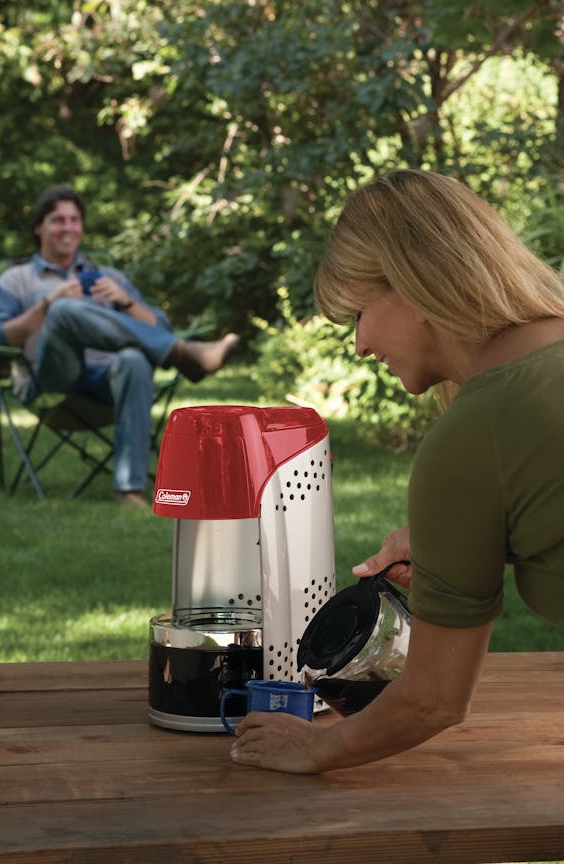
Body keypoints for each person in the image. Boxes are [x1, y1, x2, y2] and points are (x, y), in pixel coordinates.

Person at [230, 168, 564, 773]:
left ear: (412, 289)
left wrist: (314, 746)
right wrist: (472, 539)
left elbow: (434, 699)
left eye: (358, 313)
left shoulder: (476, 431)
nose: (360, 345)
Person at [0, 183, 239, 506]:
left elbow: (160, 327)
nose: (68, 227)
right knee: (63, 311)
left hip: (108, 381)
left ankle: (129, 489)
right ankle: (183, 355)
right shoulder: (15, 280)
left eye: (74, 220)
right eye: (58, 220)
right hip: (52, 382)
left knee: (134, 360)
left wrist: (127, 302)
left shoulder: (106, 276)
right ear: (38, 228)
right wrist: (46, 306)